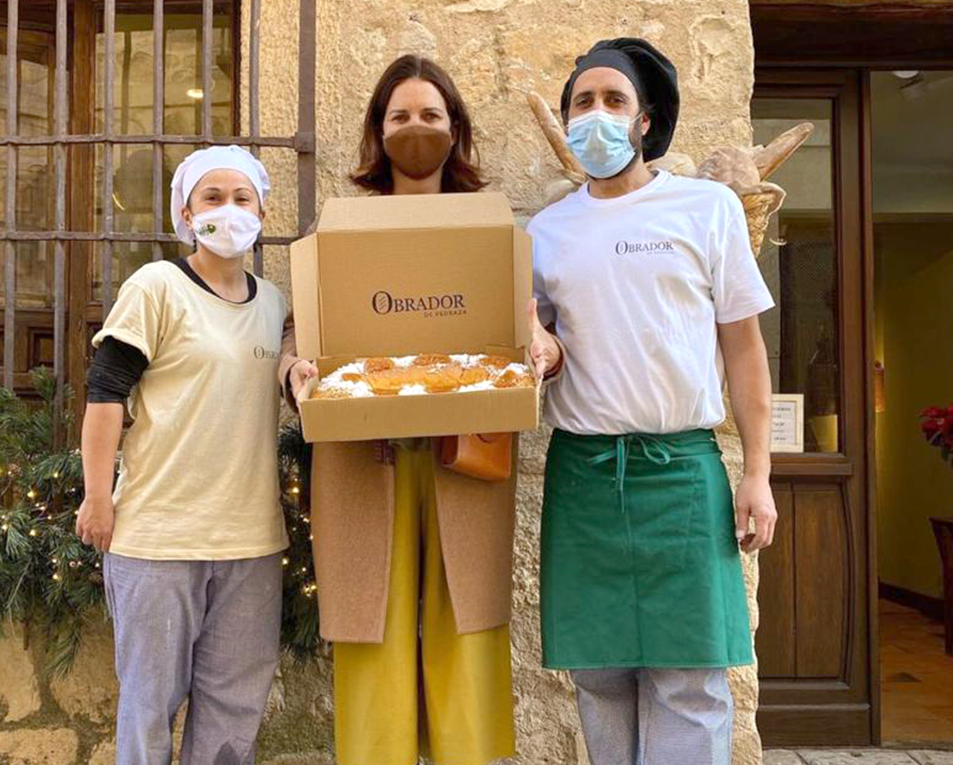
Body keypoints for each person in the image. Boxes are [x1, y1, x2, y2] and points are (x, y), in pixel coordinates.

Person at [279, 55, 561, 765]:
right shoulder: (339, 226)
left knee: (466, 634)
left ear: (455, 128)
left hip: (464, 459)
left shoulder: (495, 229)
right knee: (373, 639)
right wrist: (294, 371)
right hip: (363, 462)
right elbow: (298, 333)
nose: (416, 129)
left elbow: (529, 324)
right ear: (378, 130)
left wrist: (544, 350)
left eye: (431, 115)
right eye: (399, 115)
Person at [527, 38, 778, 765]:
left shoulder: (706, 209)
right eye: (582, 102)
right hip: (583, 471)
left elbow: (745, 349)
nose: (595, 115)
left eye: (614, 100)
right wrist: (537, 350)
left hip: (682, 469)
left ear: (645, 120)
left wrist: (757, 472)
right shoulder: (545, 232)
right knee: (599, 675)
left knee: (690, 679)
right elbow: (537, 345)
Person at [76, 145, 290, 765]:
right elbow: (106, 391)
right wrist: (96, 496)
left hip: (250, 541)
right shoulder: (156, 287)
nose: (229, 210)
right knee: (150, 705)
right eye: (212, 198)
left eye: (242, 198)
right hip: (158, 539)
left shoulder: (274, 304)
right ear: (186, 214)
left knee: (233, 711)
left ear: (262, 210)